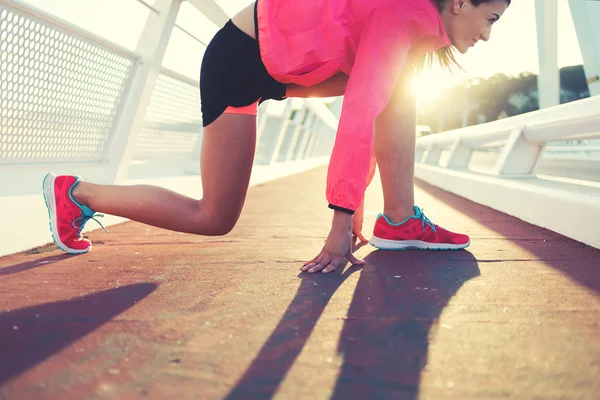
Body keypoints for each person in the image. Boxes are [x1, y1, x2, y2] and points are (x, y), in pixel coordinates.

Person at [42, 0, 510, 273]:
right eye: (491, 19)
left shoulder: (413, 23)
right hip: (240, 60)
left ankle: (399, 218)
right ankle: (76, 193)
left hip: (284, 66)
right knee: (214, 216)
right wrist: (339, 224)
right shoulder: (398, 14)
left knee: (400, 88)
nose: (488, 36)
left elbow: (373, 101)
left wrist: (355, 214)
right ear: (460, 3)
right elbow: (359, 114)